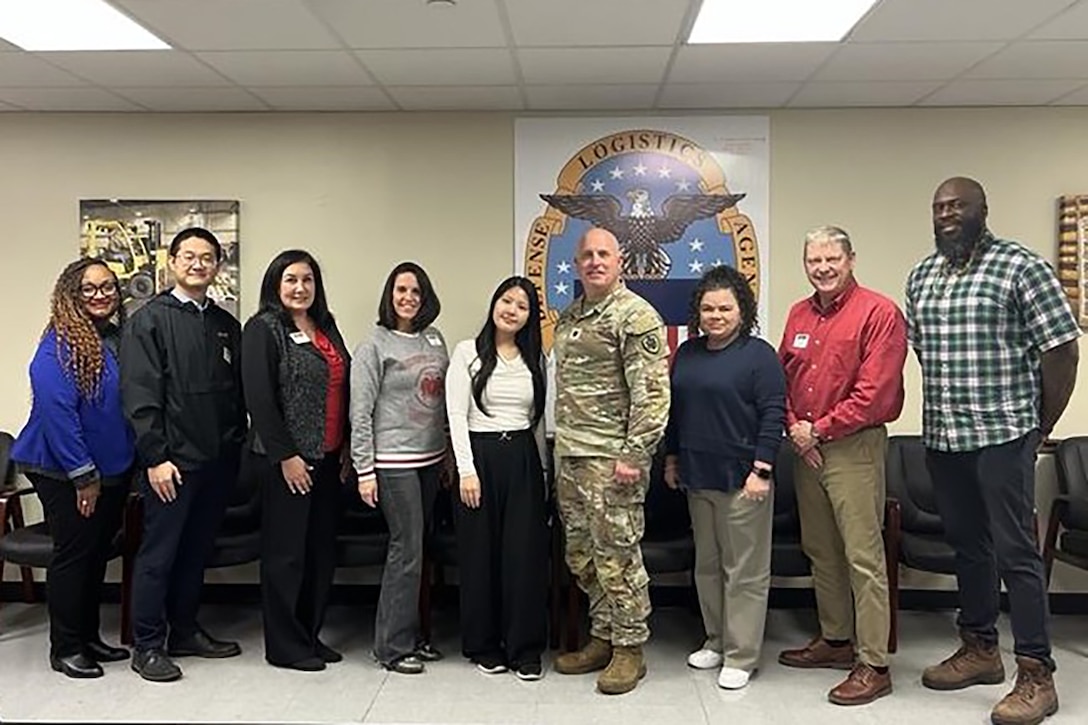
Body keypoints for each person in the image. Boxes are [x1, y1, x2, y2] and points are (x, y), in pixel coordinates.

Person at [906, 177, 1079, 725]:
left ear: (983, 209)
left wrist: (1039, 428)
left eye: (957, 205)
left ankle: (1036, 673)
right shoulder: (923, 276)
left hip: (1005, 434)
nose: (946, 214)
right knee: (969, 547)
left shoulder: (1022, 267)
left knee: (1016, 553)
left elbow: (1062, 353)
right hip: (945, 436)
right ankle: (980, 649)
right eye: (938, 207)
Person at [776, 225, 907, 706]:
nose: (823, 268)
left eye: (832, 259)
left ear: (851, 259)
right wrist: (796, 428)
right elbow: (783, 377)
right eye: (814, 261)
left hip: (854, 447)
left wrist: (820, 430)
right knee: (821, 549)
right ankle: (835, 640)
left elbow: (876, 393)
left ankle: (873, 662)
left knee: (862, 555)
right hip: (805, 447)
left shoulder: (879, 312)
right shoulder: (797, 313)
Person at [122, 227, 247, 683]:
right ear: (172, 262)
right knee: (160, 554)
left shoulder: (224, 324)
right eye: (189, 256)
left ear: (217, 266)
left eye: (208, 257)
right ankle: (148, 644)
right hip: (172, 464)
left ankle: (185, 630)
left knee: (196, 553)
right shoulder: (149, 321)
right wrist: (155, 457)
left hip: (217, 461)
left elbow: (235, 395)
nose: (198, 264)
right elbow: (140, 396)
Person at [551, 227, 670, 695]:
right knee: (581, 555)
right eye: (587, 255)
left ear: (620, 261)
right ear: (576, 264)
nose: (595, 261)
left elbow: (653, 394)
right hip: (572, 456)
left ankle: (630, 649)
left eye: (604, 254)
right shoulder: (571, 316)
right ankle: (602, 635)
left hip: (612, 459)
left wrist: (634, 454)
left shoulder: (635, 315)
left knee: (617, 555)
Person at [663, 265, 786, 691]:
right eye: (708, 308)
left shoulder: (759, 356)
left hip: (743, 480)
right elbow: (676, 413)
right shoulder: (689, 353)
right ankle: (715, 640)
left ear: (742, 310)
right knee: (708, 567)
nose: (716, 315)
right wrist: (672, 458)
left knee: (745, 571)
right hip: (698, 475)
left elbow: (774, 415)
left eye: (725, 308)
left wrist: (762, 469)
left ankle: (741, 654)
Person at [11, 259, 135, 678]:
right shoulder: (58, 344)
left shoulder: (115, 338)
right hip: (64, 469)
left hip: (110, 468)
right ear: (70, 293)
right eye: (89, 288)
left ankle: (88, 638)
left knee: (96, 553)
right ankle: (65, 648)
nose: (101, 295)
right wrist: (83, 477)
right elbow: (59, 414)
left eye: (108, 287)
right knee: (74, 555)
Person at [241, 250, 352, 672]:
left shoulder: (325, 325)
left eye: (307, 280)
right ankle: (285, 645)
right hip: (286, 462)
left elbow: (340, 387)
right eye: (290, 280)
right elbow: (261, 400)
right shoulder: (263, 329)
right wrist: (285, 455)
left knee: (320, 552)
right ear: (275, 284)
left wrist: (343, 447)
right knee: (286, 554)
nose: (300, 288)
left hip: (327, 459)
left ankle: (308, 634)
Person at [445, 276, 549, 681]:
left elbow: (538, 422)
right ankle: (484, 644)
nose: (512, 310)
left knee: (523, 558)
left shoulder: (535, 359)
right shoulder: (467, 352)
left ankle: (524, 647)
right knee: (480, 556)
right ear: (494, 304)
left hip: (522, 459)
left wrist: (542, 472)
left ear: (529, 317)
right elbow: (455, 415)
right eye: (507, 300)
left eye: (522, 306)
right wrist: (466, 471)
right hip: (479, 460)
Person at [350, 261, 448, 675]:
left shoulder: (435, 339)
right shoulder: (374, 344)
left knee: (418, 551)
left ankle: (412, 635)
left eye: (416, 291)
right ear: (389, 296)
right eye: (401, 290)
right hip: (392, 462)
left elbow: (441, 401)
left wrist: (444, 455)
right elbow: (361, 411)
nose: (408, 298)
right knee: (405, 549)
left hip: (429, 460)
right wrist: (364, 470)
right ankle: (390, 646)